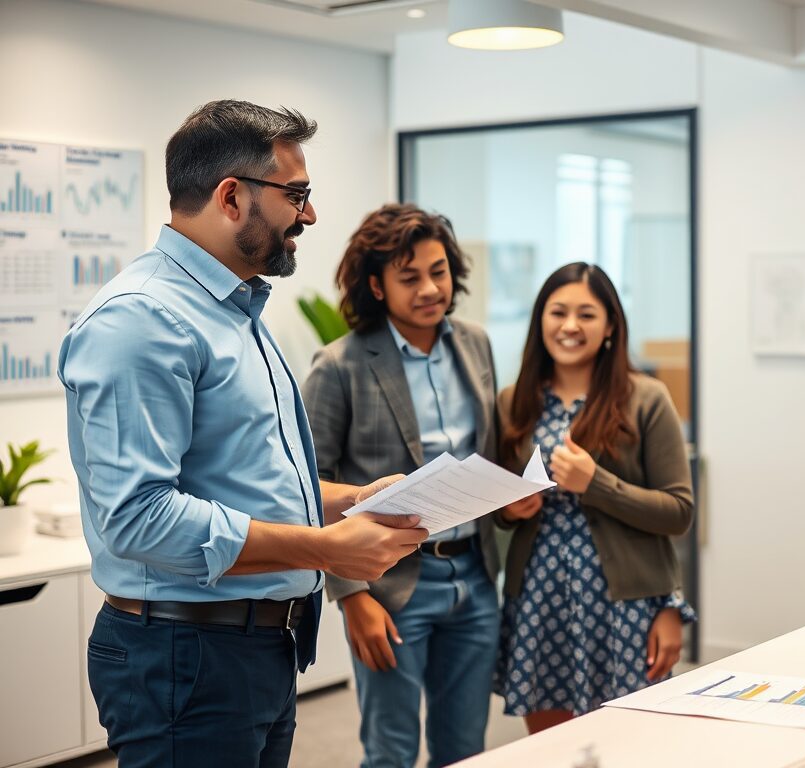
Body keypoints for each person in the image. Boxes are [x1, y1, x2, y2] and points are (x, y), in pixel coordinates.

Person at [58, 100, 428, 768]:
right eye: (298, 195)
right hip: (185, 655)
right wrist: (325, 549)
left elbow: (245, 479)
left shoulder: (234, 310)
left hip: (255, 648)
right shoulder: (142, 320)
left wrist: (351, 499)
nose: (309, 216)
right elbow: (138, 519)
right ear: (232, 196)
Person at [301, 203, 501, 767]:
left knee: (466, 750)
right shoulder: (339, 364)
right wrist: (351, 598)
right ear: (376, 285)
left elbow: (487, 450)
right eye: (409, 277)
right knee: (390, 751)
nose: (430, 289)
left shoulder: (476, 344)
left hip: (475, 577)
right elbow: (308, 485)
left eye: (438, 272)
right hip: (389, 583)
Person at [493, 262, 696, 734]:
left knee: (628, 742)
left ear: (609, 327)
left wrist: (597, 484)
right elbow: (497, 503)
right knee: (548, 745)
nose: (569, 326)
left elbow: (679, 512)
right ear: (540, 320)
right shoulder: (513, 401)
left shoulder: (646, 398)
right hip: (539, 598)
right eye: (557, 311)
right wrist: (509, 509)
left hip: (626, 604)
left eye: (586, 314)